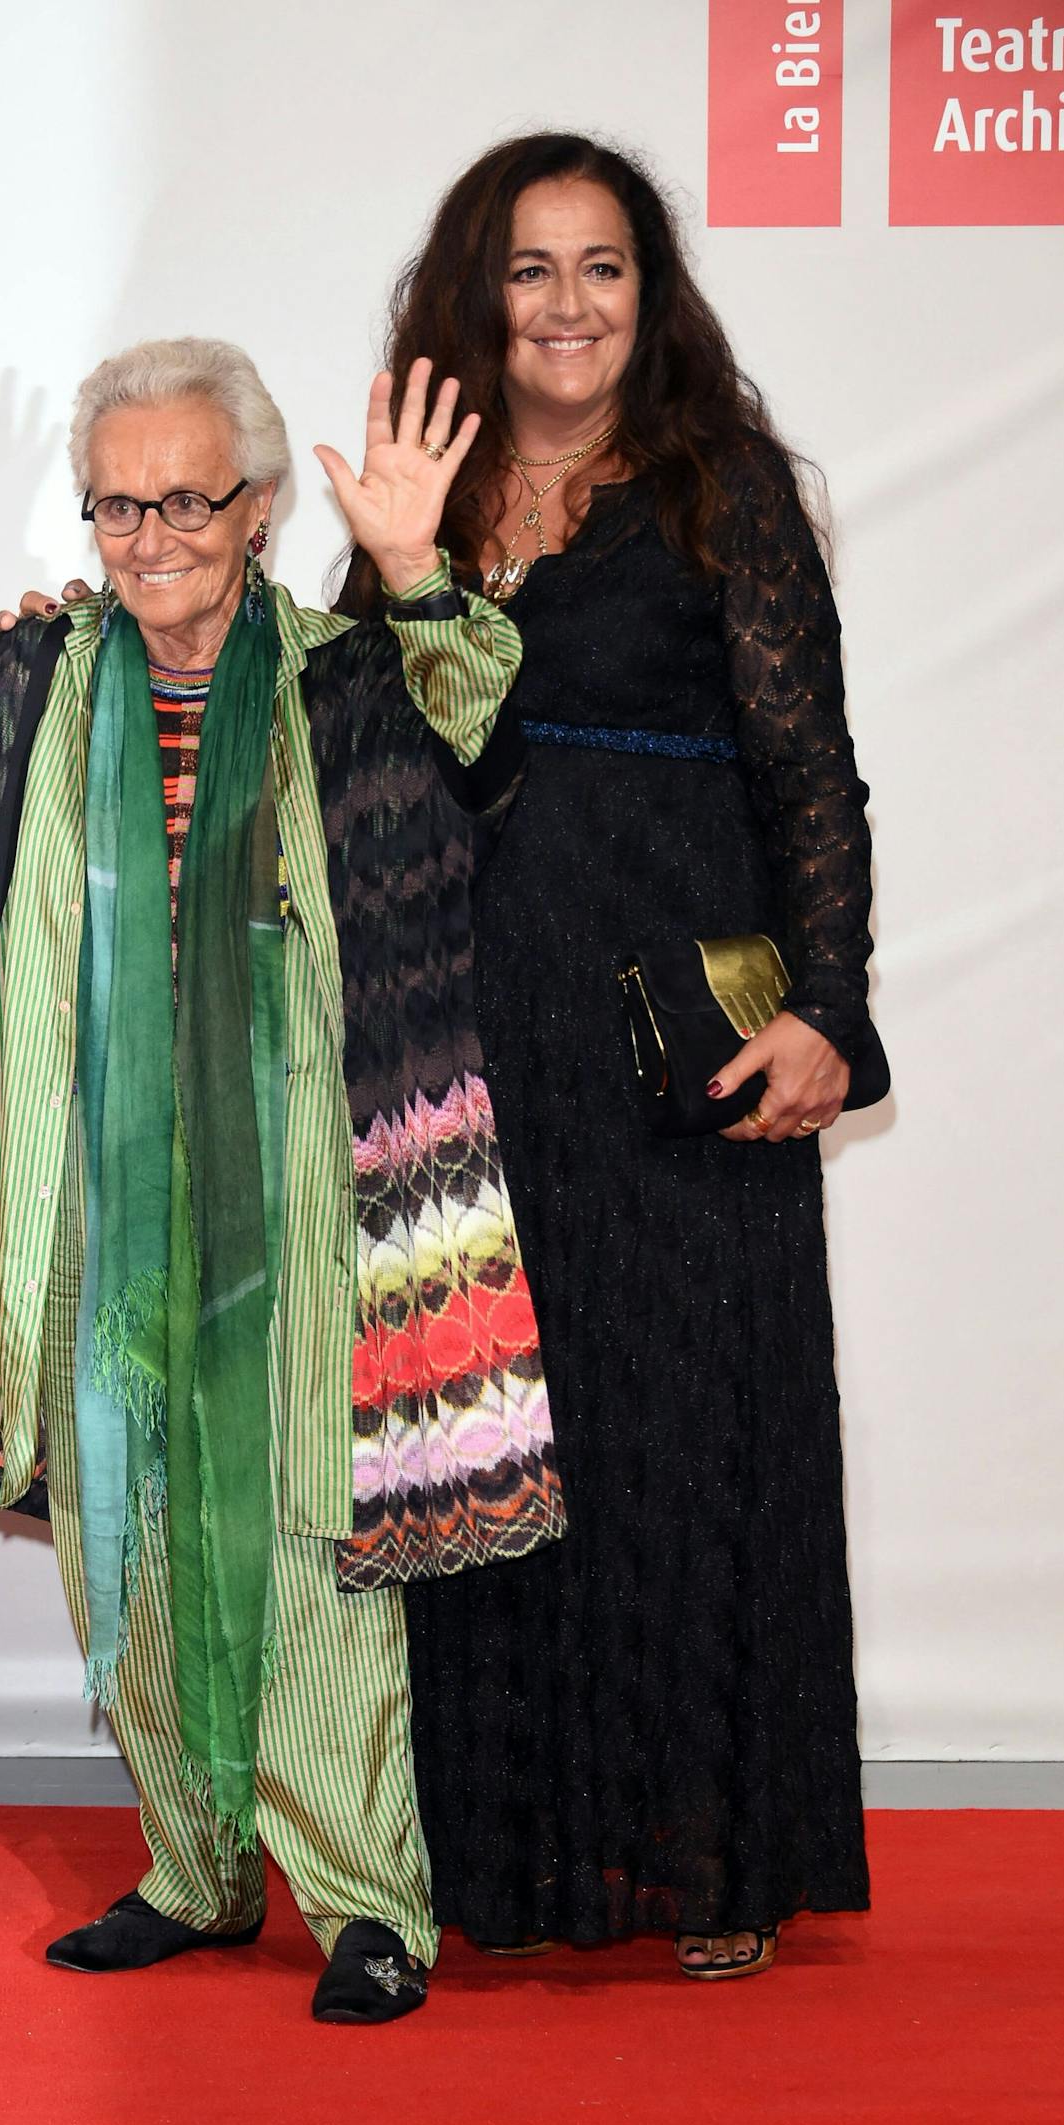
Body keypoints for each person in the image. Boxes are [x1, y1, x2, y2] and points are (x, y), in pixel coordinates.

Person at [0, 338, 562, 2023]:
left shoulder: (351, 678)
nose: (145, 537)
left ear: (258, 507)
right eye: (115, 503)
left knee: (309, 1535)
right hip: (88, 1194)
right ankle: (194, 1871)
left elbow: (481, 727)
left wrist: (419, 572)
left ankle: (365, 1903)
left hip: (310, 1186)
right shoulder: (31, 685)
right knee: (118, 1532)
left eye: (182, 499)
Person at [339, 133, 876, 1978]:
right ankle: (500, 1852)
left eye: (604, 269)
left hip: (683, 1040)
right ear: (473, 297)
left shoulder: (720, 488)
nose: (568, 306)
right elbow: (352, 756)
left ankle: (710, 1853)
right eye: (530, 270)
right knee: (491, 1440)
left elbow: (812, 769)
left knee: (689, 1437)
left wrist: (834, 1004)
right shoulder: (418, 496)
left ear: (651, 298)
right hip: (473, 1038)